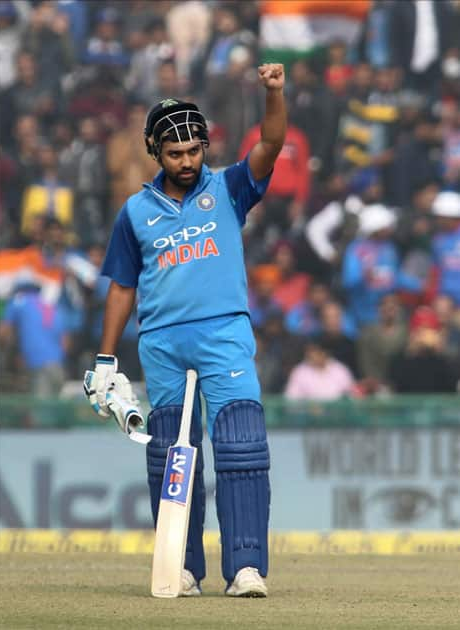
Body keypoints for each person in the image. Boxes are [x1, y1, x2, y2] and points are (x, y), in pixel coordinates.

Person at [84, 63, 287, 598]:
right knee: (173, 455)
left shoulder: (229, 188)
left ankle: (246, 567)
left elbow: (272, 141)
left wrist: (274, 93)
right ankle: (185, 567)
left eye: (194, 150)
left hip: (225, 335)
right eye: (175, 154)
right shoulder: (135, 213)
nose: (187, 161)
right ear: (157, 153)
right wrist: (105, 361)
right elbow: (123, 288)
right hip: (163, 343)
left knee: (242, 446)